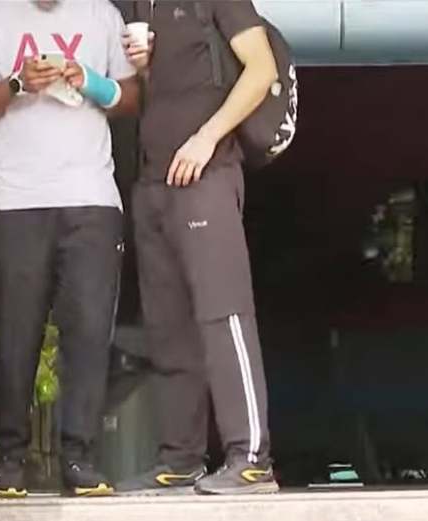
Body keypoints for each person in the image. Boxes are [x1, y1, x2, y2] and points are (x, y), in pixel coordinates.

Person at [0, 0, 140, 498]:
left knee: (89, 333)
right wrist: (17, 84)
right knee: (13, 334)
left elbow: (131, 99)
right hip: (16, 201)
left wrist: (89, 80)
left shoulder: (102, 14)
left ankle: (80, 459)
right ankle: (10, 460)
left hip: (91, 199)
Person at [116, 0, 280, 495]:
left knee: (224, 314)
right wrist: (143, 69)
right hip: (153, 179)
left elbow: (262, 69)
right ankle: (180, 458)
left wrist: (207, 138)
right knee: (168, 326)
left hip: (207, 174)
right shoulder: (135, 6)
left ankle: (251, 458)